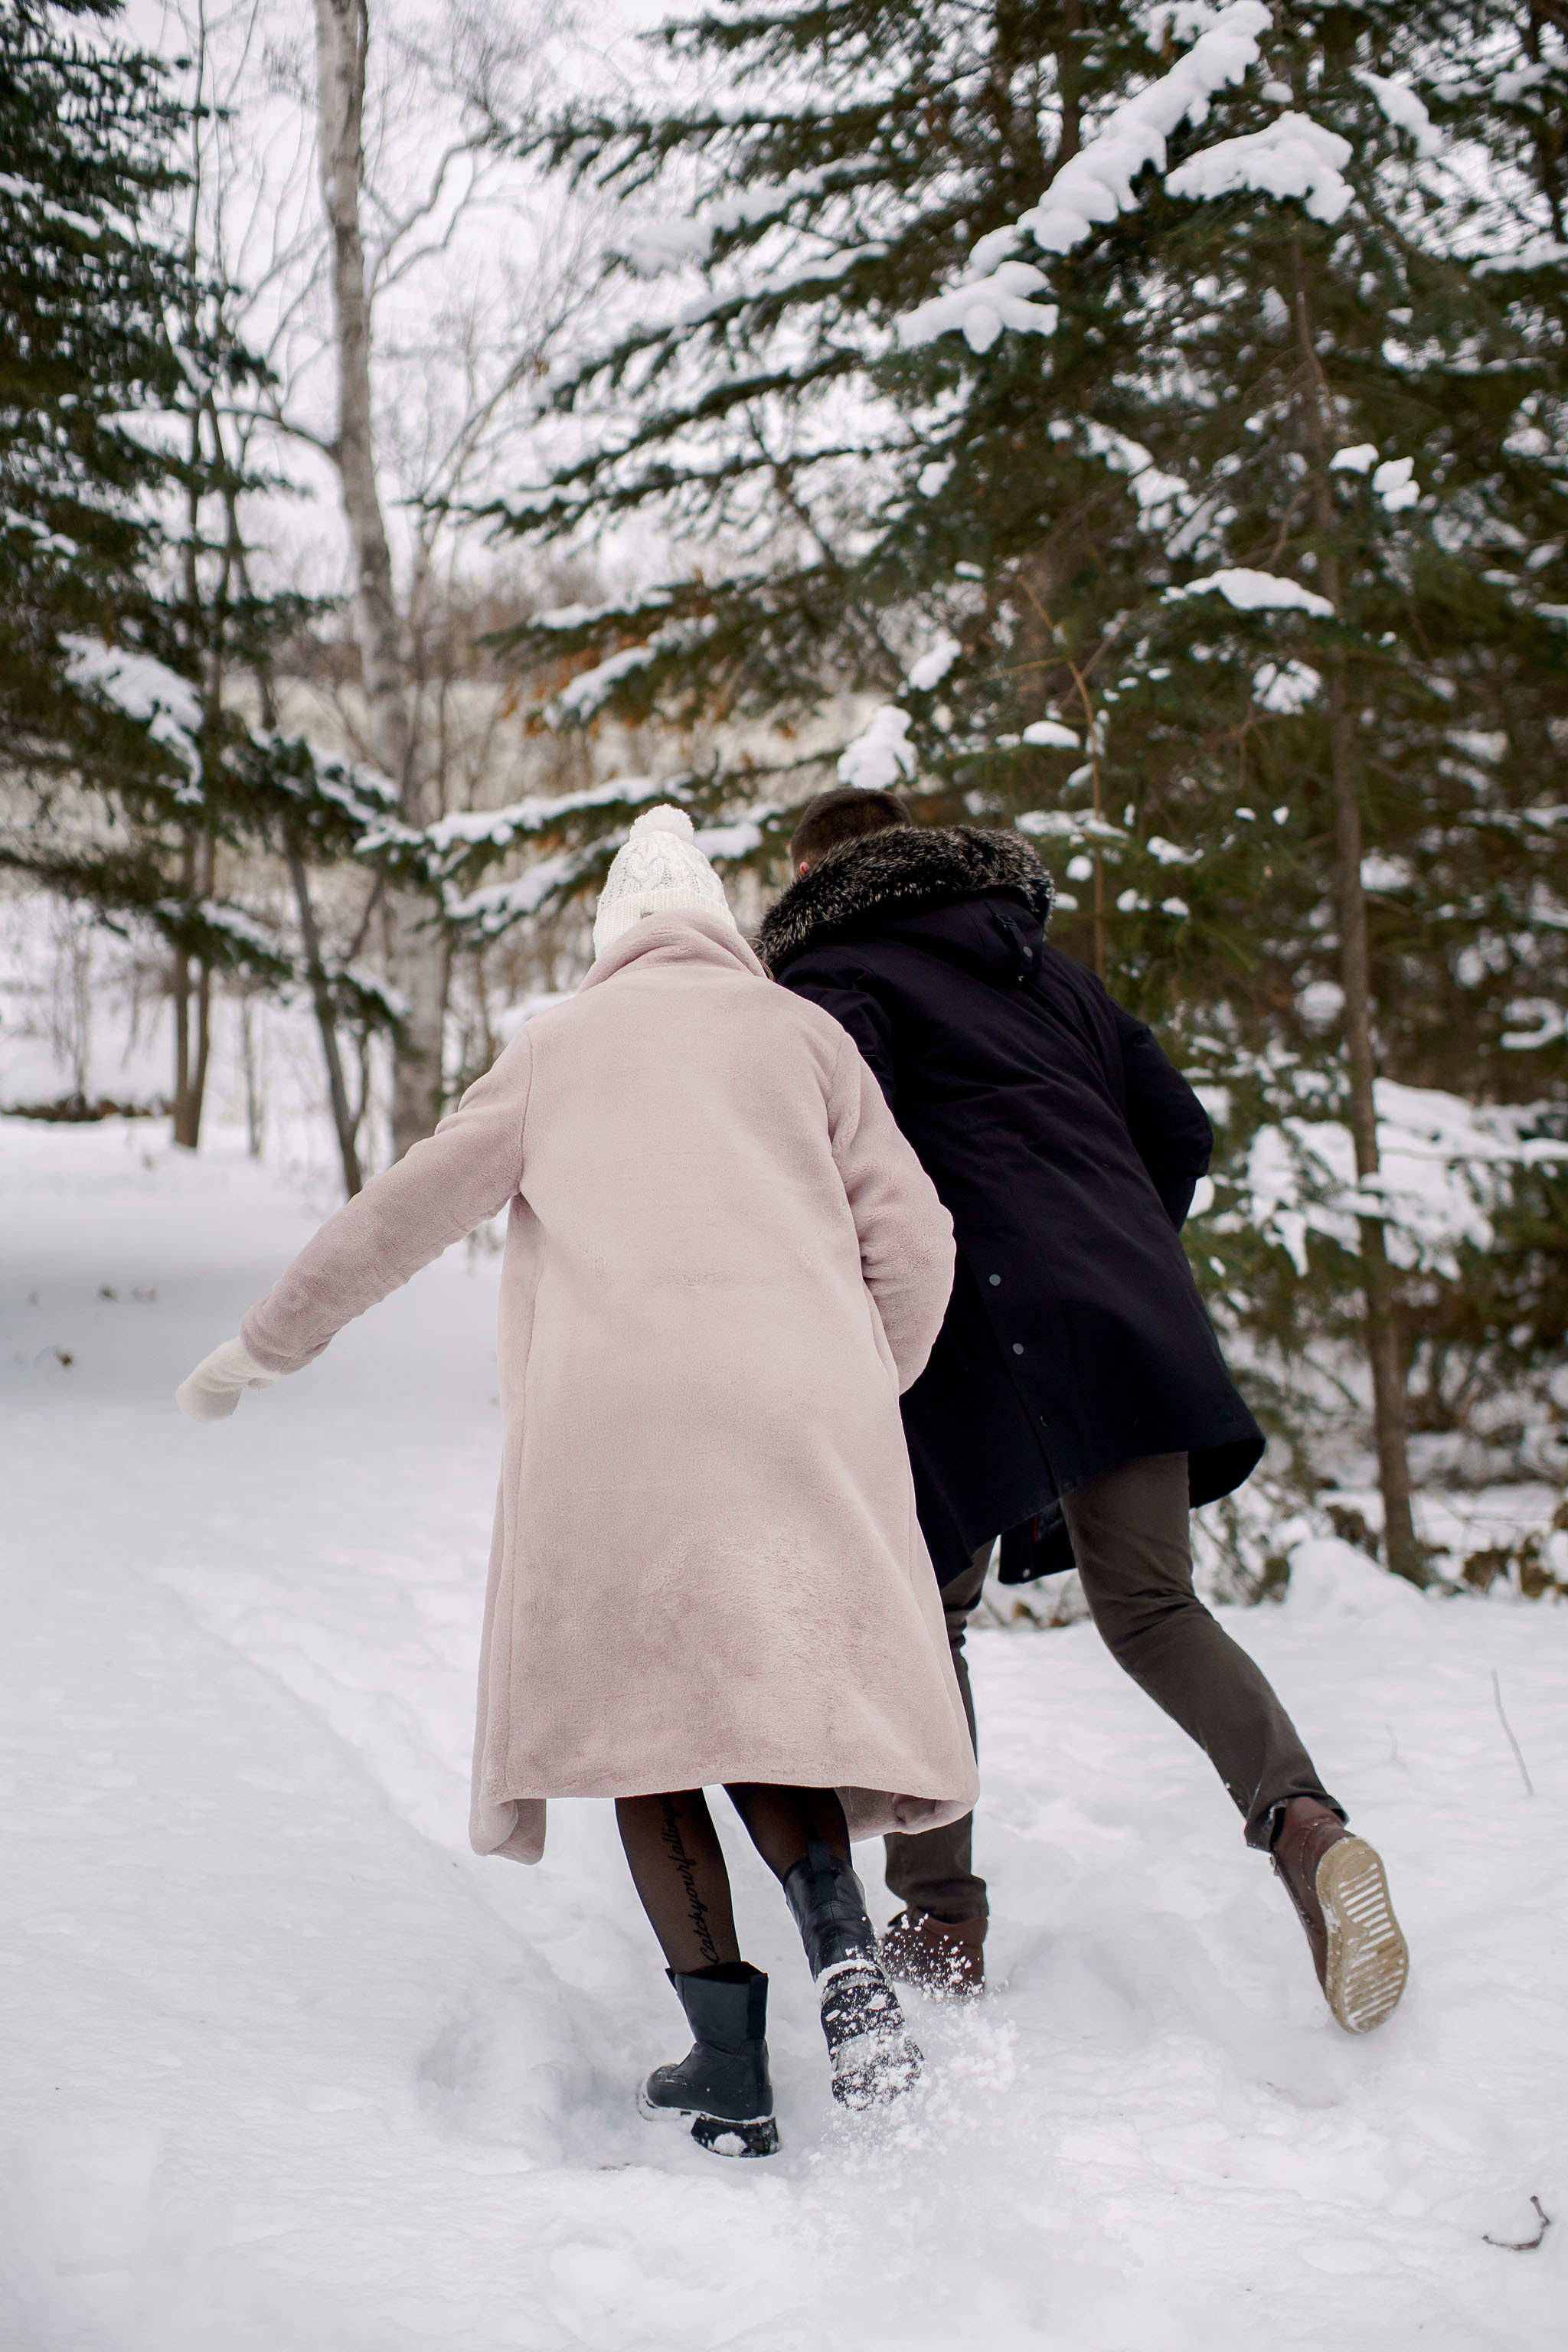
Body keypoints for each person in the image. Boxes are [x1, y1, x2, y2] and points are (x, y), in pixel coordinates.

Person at [175, 805, 978, 2157]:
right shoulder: (808, 1039)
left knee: (645, 1730)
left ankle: (728, 2071)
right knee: (775, 1710)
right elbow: (922, 1242)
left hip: (619, 1441)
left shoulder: (556, 1050)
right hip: (797, 1419)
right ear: (722, 926)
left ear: (612, 937)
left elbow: (400, 1216)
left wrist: (263, 1347)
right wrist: (860, 1381)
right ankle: (849, 1969)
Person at [757, 787, 1410, 2037]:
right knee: (1157, 1606)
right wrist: (1109, 1245)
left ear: (809, 871)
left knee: (924, 1617)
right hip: (1128, 1304)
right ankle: (1306, 1825)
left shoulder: (832, 970)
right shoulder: (1045, 966)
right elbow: (1179, 1127)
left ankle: (940, 1919)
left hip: (962, 1319)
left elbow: (833, 1145)